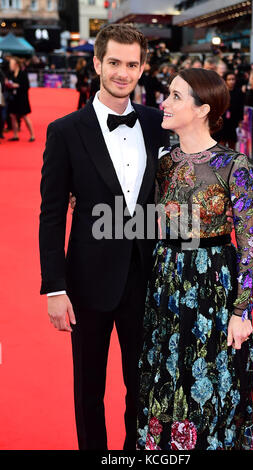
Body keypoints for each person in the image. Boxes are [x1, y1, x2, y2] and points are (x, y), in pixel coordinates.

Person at [39, 24, 169, 451]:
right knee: (89, 392)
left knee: (142, 388)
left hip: (145, 278)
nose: (123, 73)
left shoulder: (156, 123)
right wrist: (54, 287)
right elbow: (52, 215)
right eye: (114, 62)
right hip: (87, 280)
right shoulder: (65, 130)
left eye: (132, 64)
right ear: (97, 63)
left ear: (142, 68)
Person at [137, 68, 253, 450]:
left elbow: (250, 243)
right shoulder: (163, 162)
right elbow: (143, 216)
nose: (165, 103)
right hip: (165, 281)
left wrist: (241, 312)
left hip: (212, 283)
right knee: (163, 375)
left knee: (207, 378)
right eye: (168, 94)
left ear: (202, 108)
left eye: (175, 96)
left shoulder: (233, 166)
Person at [5, 57, 35, 142]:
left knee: (25, 116)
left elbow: (27, 86)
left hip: (22, 98)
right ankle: (15, 135)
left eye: (11, 64)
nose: (10, 65)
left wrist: (17, 85)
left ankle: (32, 135)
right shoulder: (10, 74)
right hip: (13, 98)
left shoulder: (22, 74)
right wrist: (9, 85)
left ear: (16, 65)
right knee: (12, 116)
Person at [213, 72, 245, 150]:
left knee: (232, 145)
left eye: (233, 79)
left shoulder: (239, 92)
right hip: (222, 122)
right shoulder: (221, 92)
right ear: (225, 81)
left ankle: (231, 161)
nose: (231, 81)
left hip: (233, 122)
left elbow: (241, 107)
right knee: (221, 144)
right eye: (229, 79)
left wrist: (240, 121)